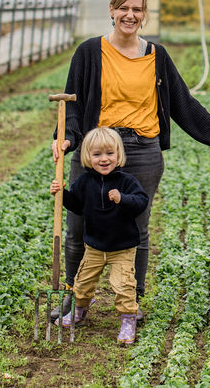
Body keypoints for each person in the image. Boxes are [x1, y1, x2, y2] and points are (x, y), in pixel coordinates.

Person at [51, 0, 210, 322]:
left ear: (144, 16)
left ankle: (133, 302)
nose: (130, 14)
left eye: (137, 9)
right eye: (123, 8)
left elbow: (184, 105)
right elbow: (73, 103)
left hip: (142, 151)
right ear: (112, 11)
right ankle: (73, 300)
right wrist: (66, 137)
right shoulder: (89, 52)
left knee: (135, 228)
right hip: (96, 148)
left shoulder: (157, 56)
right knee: (78, 226)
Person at [49, 127, 148, 344]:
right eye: (97, 154)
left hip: (122, 248)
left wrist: (122, 198)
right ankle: (79, 312)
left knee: (123, 286)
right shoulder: (85, 182)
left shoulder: (126, 182)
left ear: (118, 155)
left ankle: (128, 319)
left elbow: (141, 202)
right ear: (88, 157)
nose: (104, 159)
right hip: (94, 247)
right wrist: (61, 193)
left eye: (109, 154)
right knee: (82, 283)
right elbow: (76, 205)